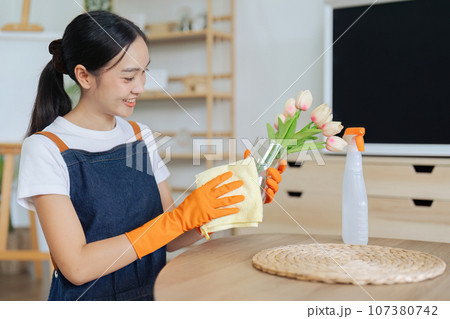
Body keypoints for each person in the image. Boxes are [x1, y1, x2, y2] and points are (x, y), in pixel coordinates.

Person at [17, 11, 285, 301]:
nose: (140, 87)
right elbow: (77, 266)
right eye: (128, 76)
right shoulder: (46, 148)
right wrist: (177, 219)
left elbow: (168, 239)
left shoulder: (139, 135)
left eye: (144, 72)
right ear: (84, 76)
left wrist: (232, 202)